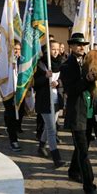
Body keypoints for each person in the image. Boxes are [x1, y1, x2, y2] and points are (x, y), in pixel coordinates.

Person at [60, 33, 97, 194]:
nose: (81, 47)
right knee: (83, 151)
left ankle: (72, 171)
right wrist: (87, 79)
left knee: (83, 145)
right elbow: (71, 90)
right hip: (77, 112)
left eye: (83, 44)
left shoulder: (89, 62)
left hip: (90, 110)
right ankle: (89, 185)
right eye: (77, 44)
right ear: (71, 46)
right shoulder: (66, 65)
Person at [34, 40, 66, 168]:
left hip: (56, 100)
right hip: (45, 101)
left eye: (57, 49)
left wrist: (59, 83)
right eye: (53, 48)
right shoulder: (40, 64)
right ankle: (56, 158)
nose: (56, 51)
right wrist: (45, 78)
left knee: (49, 127)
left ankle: (41, 147)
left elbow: (64, 80)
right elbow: (34, 84)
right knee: (52, 130)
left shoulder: (62, 63)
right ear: (47, 50)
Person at [3, 40, 22, 152]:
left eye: (19, 49)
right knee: (11, 114)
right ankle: (13, 140)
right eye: (15, 49)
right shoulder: (5, 61)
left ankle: (13, 129)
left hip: (20, 91)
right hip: (8, 92)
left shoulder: (23, 61)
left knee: (19, 114)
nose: (17, 51)